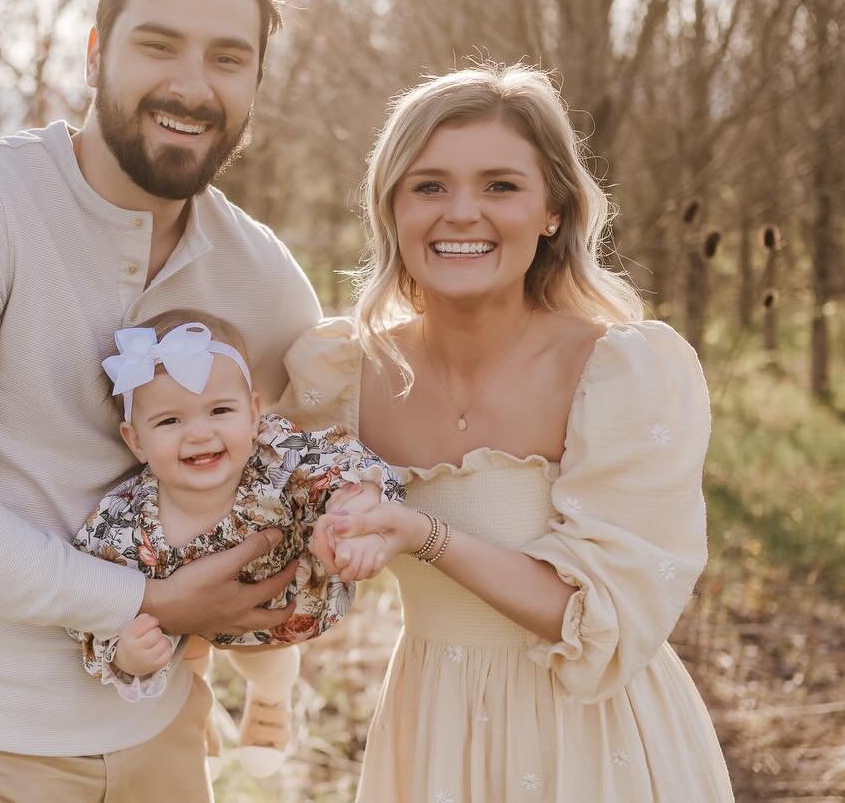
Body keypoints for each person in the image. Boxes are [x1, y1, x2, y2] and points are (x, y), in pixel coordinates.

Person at [0, 0, 323, 803]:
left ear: (256, 83)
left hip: (165, 739)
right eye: (158, 45)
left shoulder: (263, 277)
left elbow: (324, 462)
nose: (191, 84)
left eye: (228, 57)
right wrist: (144, 601)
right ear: (97, 51)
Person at [275, 64, 734, 801]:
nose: (462, 212)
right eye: (429, 186)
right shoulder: (343, 377)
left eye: (500, 185)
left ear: (552, 207)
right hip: (431, 734)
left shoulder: (619, 370)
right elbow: (268, 540)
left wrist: (419, 531)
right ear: (390, 207)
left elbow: (595, 616)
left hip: (592, 741)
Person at [65, 310, 403, 777]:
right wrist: (124, 652)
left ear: (253, 413)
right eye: (169, 421)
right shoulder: (124, 522)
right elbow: (93, 598)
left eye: (220, 410)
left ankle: (270, 698)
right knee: (185, 660)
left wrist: (356, 506)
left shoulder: (275, 455)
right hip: (185, 626)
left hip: (282, 613)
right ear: (135, 440)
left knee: (264, 664)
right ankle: (199, 716)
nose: (199, 432)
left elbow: (344, 461)